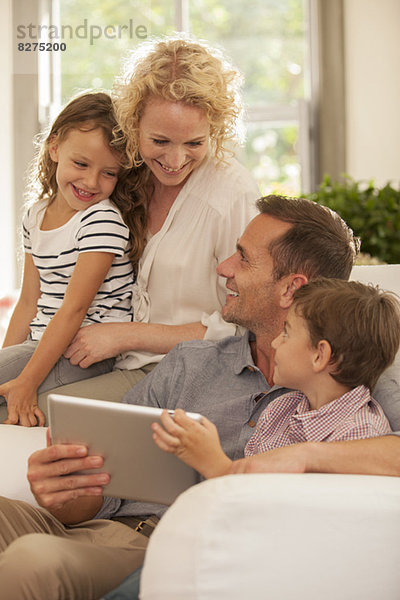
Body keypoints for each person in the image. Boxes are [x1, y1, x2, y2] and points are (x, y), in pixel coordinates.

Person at [0, 194, 392, 600]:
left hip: (173, 549)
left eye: (243, 258)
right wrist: (68, 493)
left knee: (33, 562)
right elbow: (104, 490)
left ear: (291, 288)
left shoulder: (357, 379)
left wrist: (302, 456)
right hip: (103, 531)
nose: (224, 268)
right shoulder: (192, 363)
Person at [35, 36, 259, 413]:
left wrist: (126, 335)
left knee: (28, 411)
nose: (174, 160)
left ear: (215, 131)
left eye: (194, 143)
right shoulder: (122, 173)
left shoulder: (231, 194)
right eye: (159, 140)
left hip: (183, 374)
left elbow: (242, 326)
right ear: (132, 123)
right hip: (107, 357)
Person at [152, 278, 400, 479]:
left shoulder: (361, 434)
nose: (274, 342)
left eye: (286, 333)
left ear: (320, 355)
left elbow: (285, 521)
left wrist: (214, 464)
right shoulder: (280, 409)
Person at [0, 92, 136, 427]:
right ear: (55, 147)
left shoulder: (101, 220)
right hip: (42, 342)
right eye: (81, 164)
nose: (91, 182)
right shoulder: (36, 215)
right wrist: (8, 365)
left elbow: (74, 310)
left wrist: (27, 381)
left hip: (83, 352)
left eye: (109, 173)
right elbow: (29, 301)